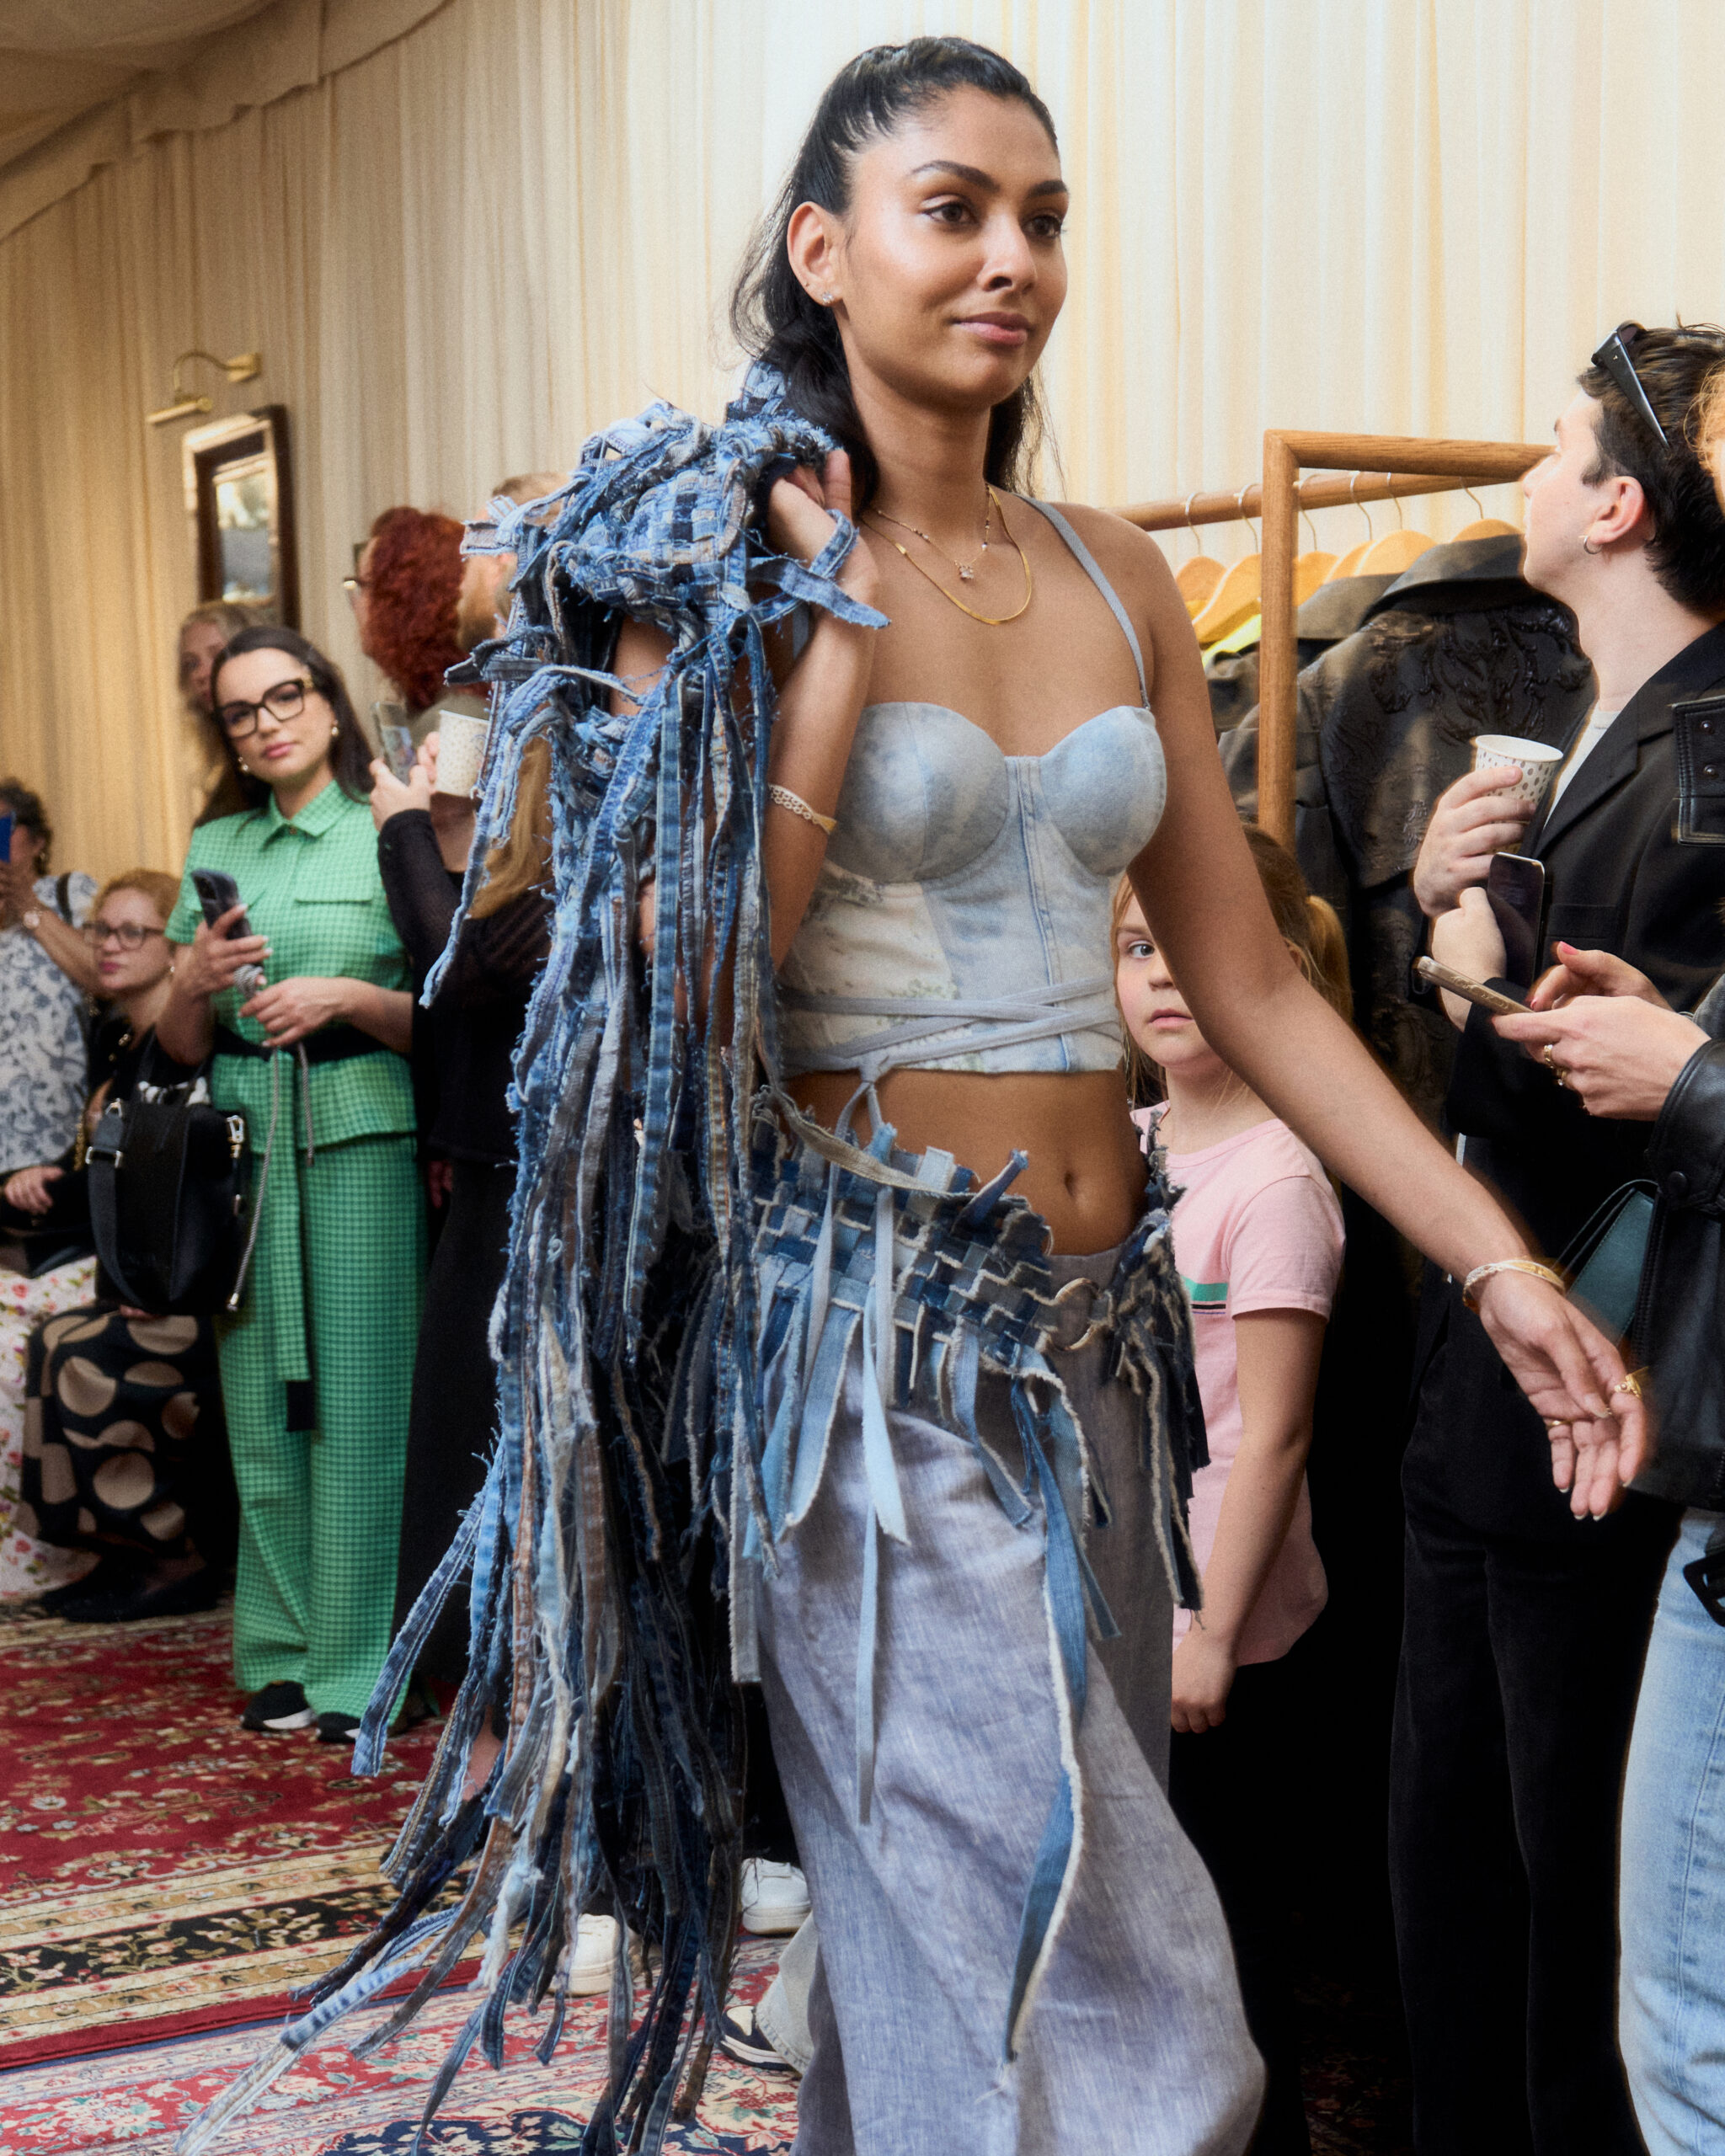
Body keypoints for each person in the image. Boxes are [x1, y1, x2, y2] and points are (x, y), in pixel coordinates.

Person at [298, 43, 1644, 2156]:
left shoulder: (1112, 573)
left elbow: (1250, 986)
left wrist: (1492, 1259)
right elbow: (690, 987)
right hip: (865, 1352)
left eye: (1043, 218)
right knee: (1118, 1993)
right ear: (823, 250)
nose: (1012, 257)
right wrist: (830, 663)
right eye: (952, 210)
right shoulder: (720, 574)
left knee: (950, 1960)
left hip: (1109, 1354)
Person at [1397, 320, 1725, 2155]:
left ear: (1614, 503)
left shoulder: (1710, 740)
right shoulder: (1576, 709)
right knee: (1456, 1858)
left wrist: (1472, 975)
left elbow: (1648, 1060)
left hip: (1598, 1380)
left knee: (1566, 1893)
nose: (1518, 476)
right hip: (1488, 1361)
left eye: (1547, 446)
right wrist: (1440, 905)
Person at [1119, 829, 1348, 2156]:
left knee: (1226, 1941)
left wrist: (1210, 1633)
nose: (1162, 976)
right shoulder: (1126, 1142)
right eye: (1135, 949)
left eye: (1188, 947)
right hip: (1130, 1600)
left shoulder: (1277, 1178)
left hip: (1224, 1628)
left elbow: (1276, 1434)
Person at [157, 626, 423, 1745]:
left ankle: (362, 1663)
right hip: (243, 1149)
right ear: (225, 734)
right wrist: (192, 977)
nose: (265, 723)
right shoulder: (218, 840)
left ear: (325, 700)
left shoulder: (390, 824)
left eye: (283, 697)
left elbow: (450, 1017)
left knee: (361, 1407)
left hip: (361, 1132)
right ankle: (277, 1651)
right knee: (260, 1405)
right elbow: (178, 1044)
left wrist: (343, 999)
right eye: (240, 712)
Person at [3, 871, 232, 1622]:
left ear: (176, 949)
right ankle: (111, 1550)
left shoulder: (190, 1045)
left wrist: (153, 1286)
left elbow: (185, 1187)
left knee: (75, 1347)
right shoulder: (119, 1040)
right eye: (102, 929)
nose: (110, 945)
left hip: (196, 1284)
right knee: (55, 1338)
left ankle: (173, 1559)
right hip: (134, 1269)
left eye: (134, 932)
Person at [0, 781, 97, 1177]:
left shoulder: (69, 894)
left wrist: (26, 904)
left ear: (38, 841)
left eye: (3, 827)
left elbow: (102, 975)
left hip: (57, 1136)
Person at [346, 506, 483, 744]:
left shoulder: (455, 722)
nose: (355, 604)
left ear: (404, 602)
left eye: (364, 586)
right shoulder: (438, 705)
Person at [178, 601, 254, 825]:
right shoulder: (225, 755)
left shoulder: (276, 745)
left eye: (218, 655)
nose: (201, 674)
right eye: (192, 664)